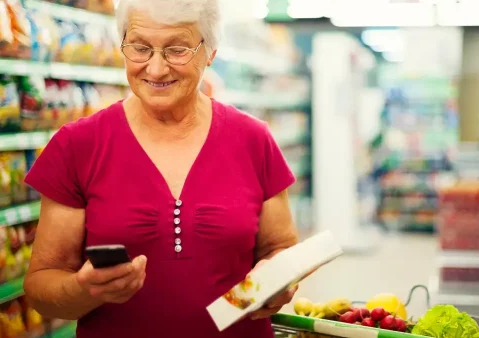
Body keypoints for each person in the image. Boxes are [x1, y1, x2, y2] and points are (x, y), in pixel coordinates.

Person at [22, 0, 299, 336]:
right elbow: (41, 287)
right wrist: (83, 289)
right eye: (139, 48)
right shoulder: (77, 146)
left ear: (210, 52)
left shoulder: (253, 140)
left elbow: (279, 247)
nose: (155, 69)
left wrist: (280, 278)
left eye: (177, 50)